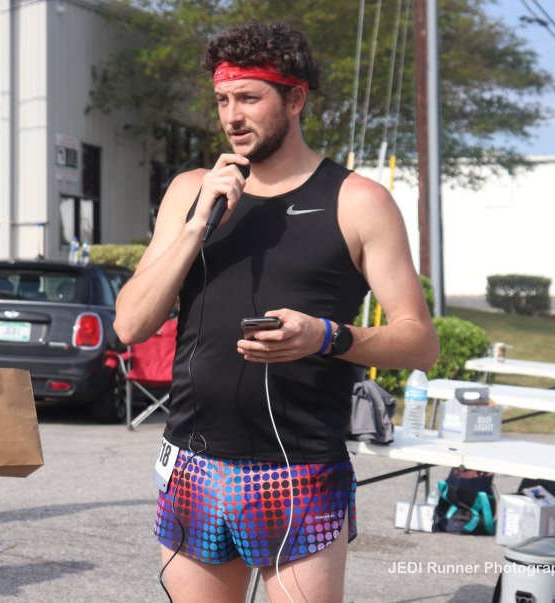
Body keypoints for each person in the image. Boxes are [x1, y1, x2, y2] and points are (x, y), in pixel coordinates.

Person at [113, 21, 439, 603]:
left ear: (295, 99)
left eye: (248, 98)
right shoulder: (192, 189)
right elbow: (130, 325)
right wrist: (196, 224)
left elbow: (420, 342)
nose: (231, 116)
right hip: (192, 460)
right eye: (222, 100)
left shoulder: (358, 200)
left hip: (298, 468)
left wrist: (327, 337)